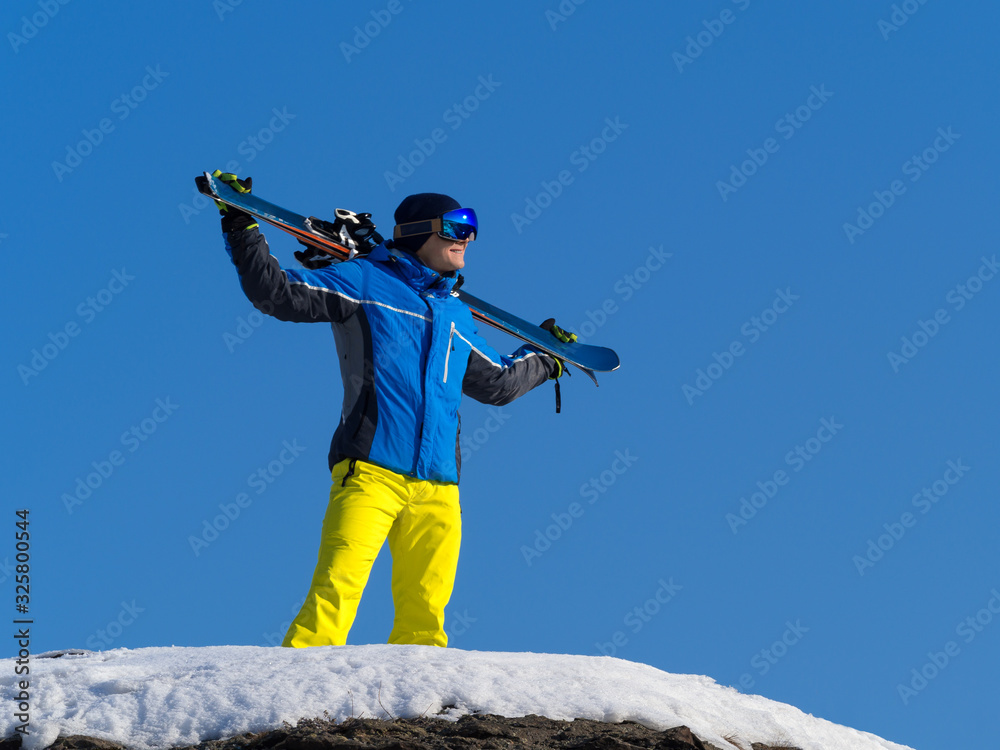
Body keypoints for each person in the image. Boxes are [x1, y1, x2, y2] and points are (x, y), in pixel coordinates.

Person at [212, 173, 575, 647]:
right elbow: (276, 294)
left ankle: (418, 711)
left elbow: (498, 383)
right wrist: (242, 226)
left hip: (439, 488)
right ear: (420, 232)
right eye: (455, 226)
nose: (467, 238)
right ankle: (290, 704)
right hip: (370, 474)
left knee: (426, 620)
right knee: (334, 595)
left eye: (472, 227)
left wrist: (545, 360)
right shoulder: (364, 282)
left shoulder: (456, 315)